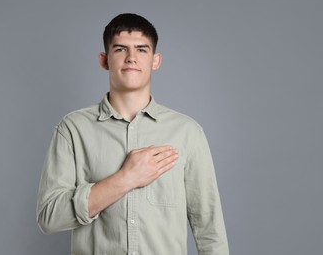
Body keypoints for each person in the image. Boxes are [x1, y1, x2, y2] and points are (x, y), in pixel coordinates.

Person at [36, 13, 229, 255]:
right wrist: (126, 178)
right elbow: (49, 216)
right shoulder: (72, 129)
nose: (131, 58)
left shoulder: (187, 132)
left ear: (155, 61)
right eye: (120, 49)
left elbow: (210, 231)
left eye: (141, 49)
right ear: (104, 60)